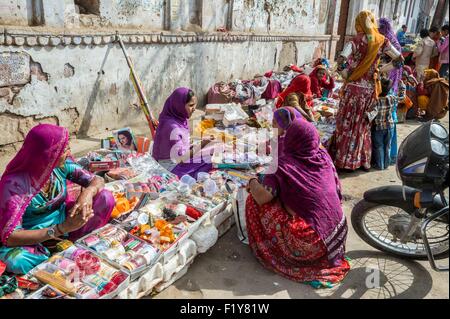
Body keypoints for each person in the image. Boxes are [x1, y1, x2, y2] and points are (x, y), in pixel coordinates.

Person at [245, 117, 350, 287]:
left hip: (311, 244)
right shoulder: (322, 156)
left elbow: (262, 197)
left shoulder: (282, 164)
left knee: (253, 200)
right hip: (337, 234)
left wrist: (252, 183)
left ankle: (269, 249)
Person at [0, 124, 114, 274]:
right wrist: (60, 229)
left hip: (67, 225)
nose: (68, 153)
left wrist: (88, 192)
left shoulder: (60, 167)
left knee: (105, 198)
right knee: (16, 260)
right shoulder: (14, 184)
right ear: (47, 154)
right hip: (32, 239)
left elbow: (97, 181)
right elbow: (10, 237)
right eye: (63, 149)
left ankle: (73, 245)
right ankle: (57, 256)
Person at [330, 11, 402, 171]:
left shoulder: (355, 41)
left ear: (359, 23)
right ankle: (361, 161)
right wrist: (381, 70)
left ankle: (344, 161)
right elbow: (399, 60)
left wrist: (347, 75)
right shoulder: (381, 41)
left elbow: (341, 61)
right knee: (362, 126)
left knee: (346, 124)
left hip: (353, 90)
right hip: (370, 91)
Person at [152, 87, 213, 179]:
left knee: (210, 153)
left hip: (176, 160)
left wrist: (195, 144)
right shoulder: (172, 127)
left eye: (195, 105)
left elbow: (182, 144)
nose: (194, 109)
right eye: (191, 105)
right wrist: (201, 145)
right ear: (179, 105)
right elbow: (181, 158)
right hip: (169, 168)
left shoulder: (179, 119)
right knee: (209, 160)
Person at [367, 78, 395, 170]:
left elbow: (373, 114)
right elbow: (402, 97)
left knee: (378, 146)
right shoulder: (391, 98)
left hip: (378, 127)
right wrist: (403, 87)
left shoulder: (376, 100)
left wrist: (366, 115)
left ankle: (380, 165)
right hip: (390, 126)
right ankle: (386, 164)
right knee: (388, 146)